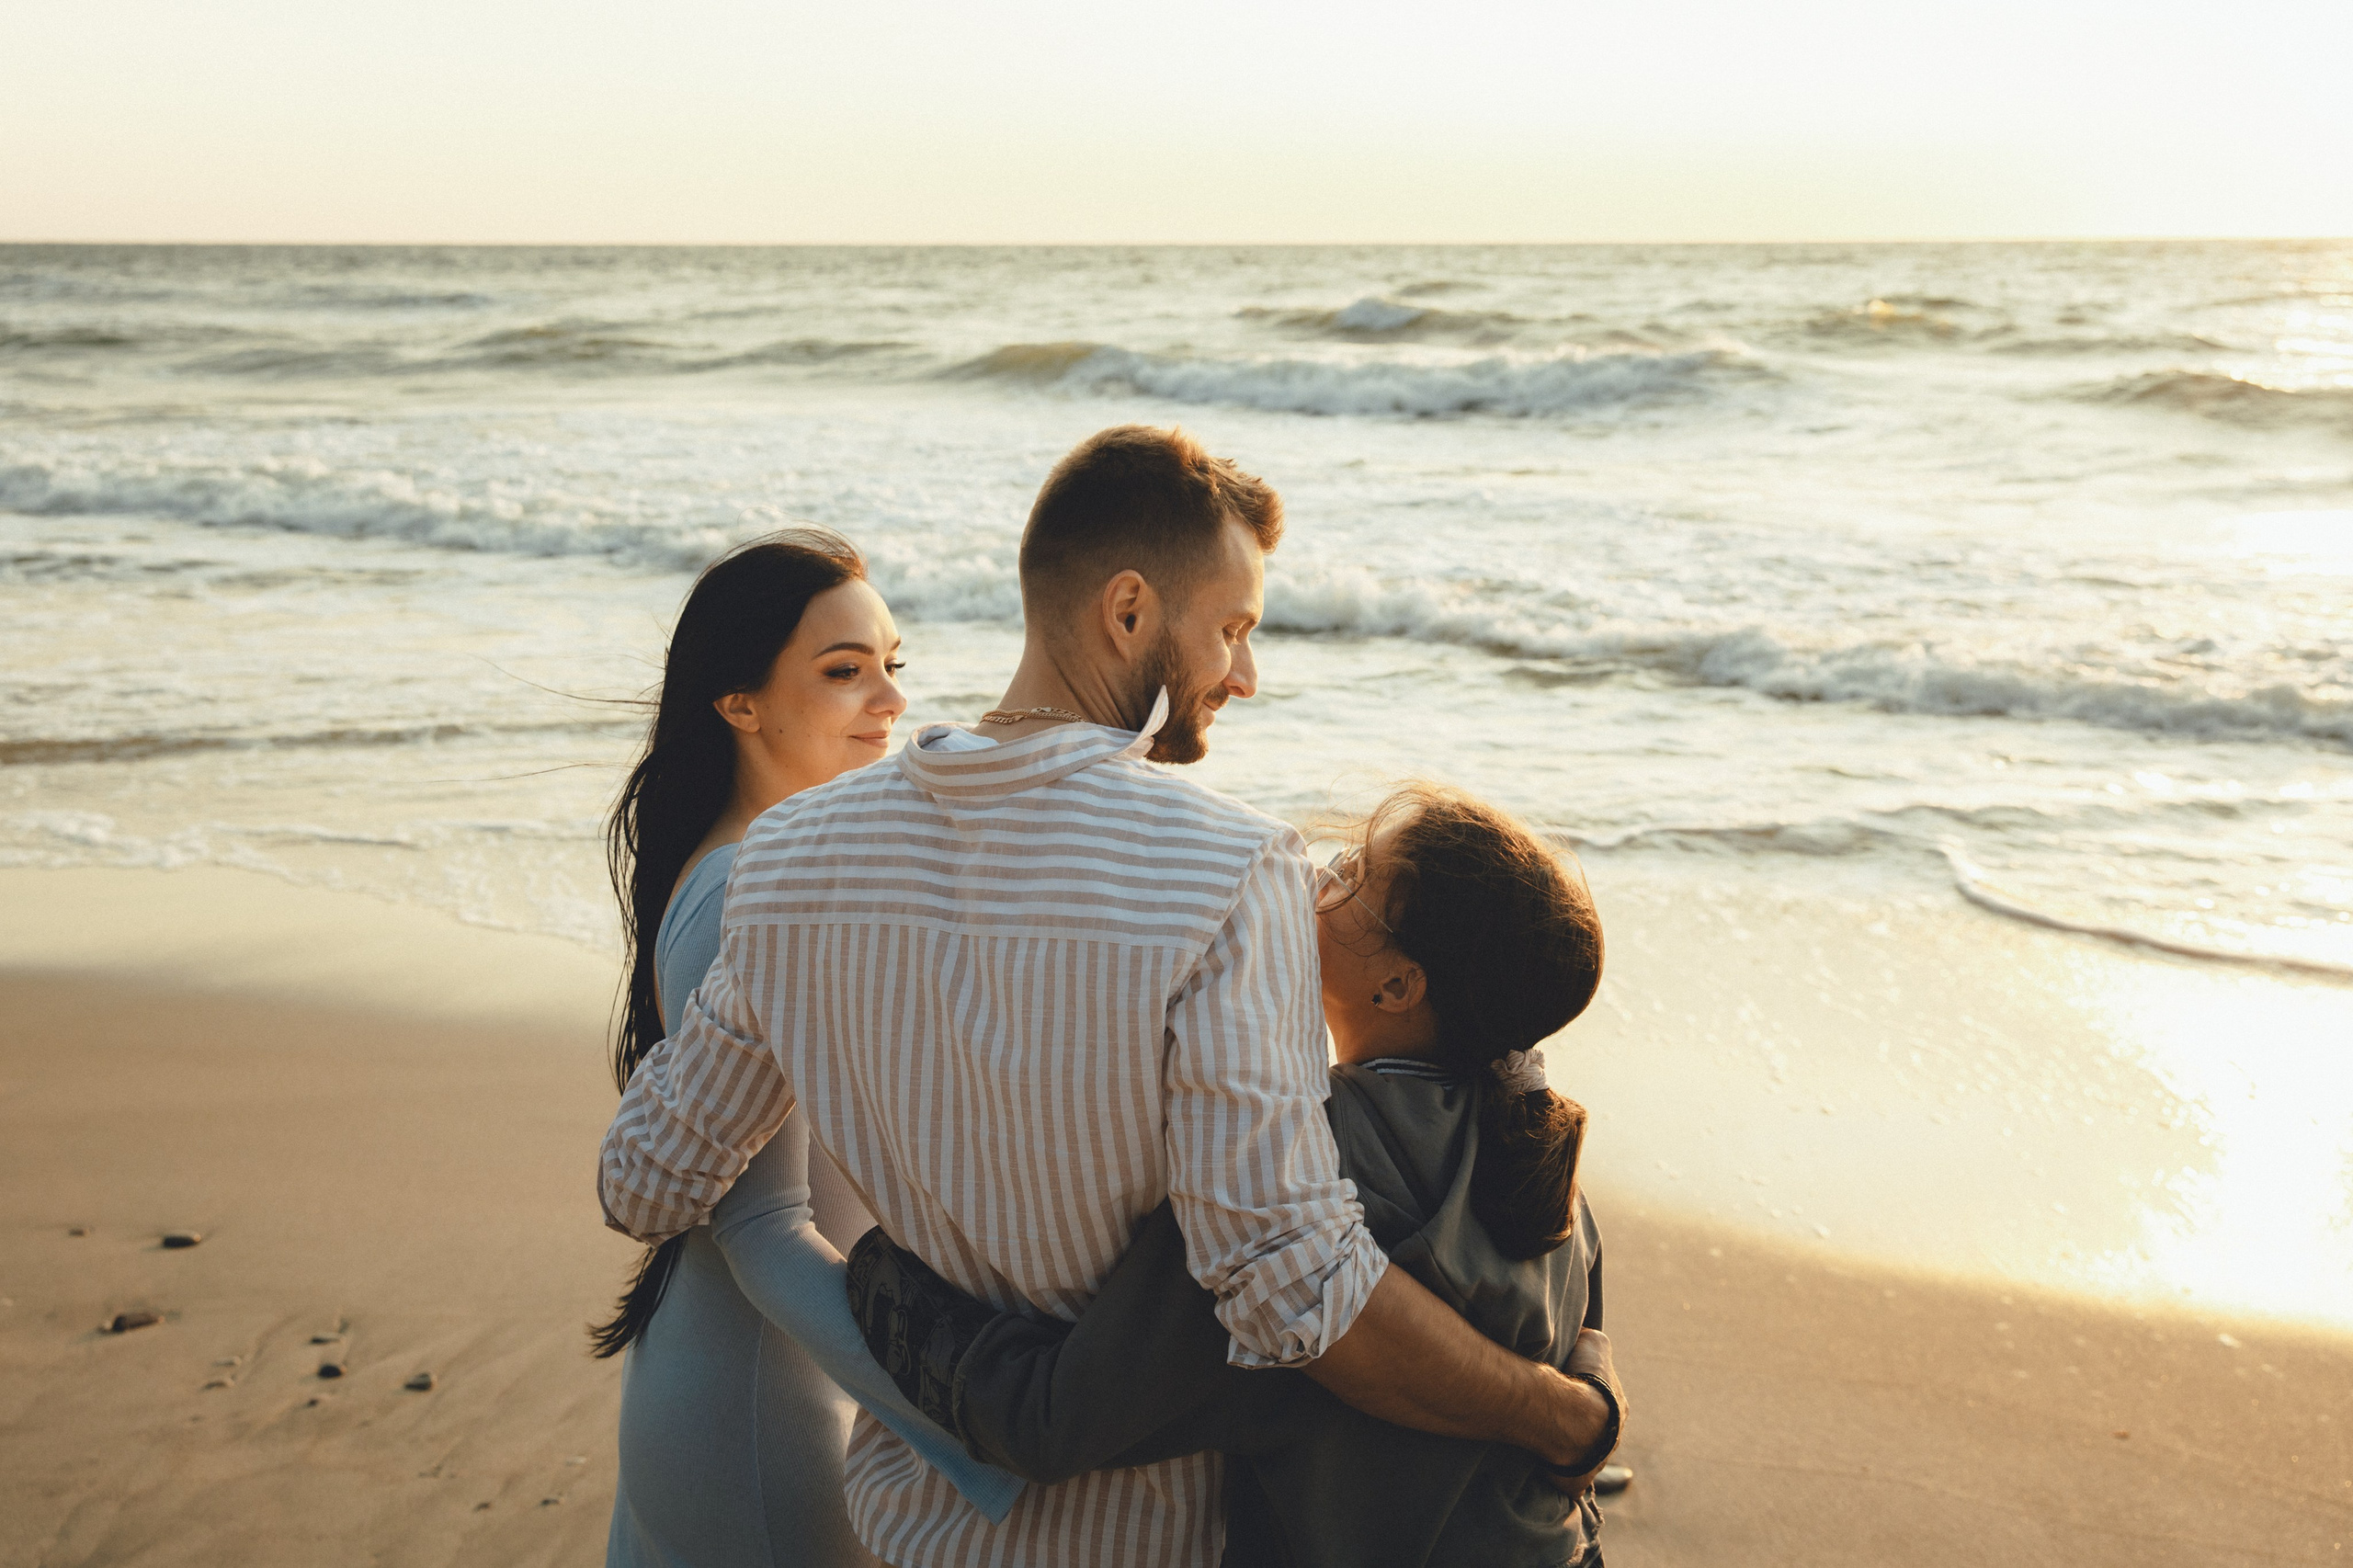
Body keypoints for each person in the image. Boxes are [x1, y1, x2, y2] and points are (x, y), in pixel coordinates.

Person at [599, 426, 1615, 1568]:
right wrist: (1561, 1412)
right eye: (1231, 630)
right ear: (1128, 611)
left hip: (920, 1523)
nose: (1244, 674)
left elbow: (646, 1182)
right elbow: (1290, 1289)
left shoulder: (791, 860)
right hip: (1150, 1540)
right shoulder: (1233, 872)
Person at [847, 784, 1623, 1568]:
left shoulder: (1293, 1165)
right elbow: (1588, 1349)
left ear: (1397, 987)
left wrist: (879, 1274)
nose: (1315, 874)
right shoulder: (1542, 1148)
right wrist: (1590, 1412)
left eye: (1353, 870)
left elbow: (1053, 1422)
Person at [592, 530, 1020, 1568]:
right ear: (740, 703)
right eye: (843, 671)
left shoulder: (777, 866)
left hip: (758, 1380)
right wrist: (977, 1439)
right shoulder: (743, 889)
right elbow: (767, 1231)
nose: (888, 699)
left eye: (890, 664)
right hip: (763, 1405)